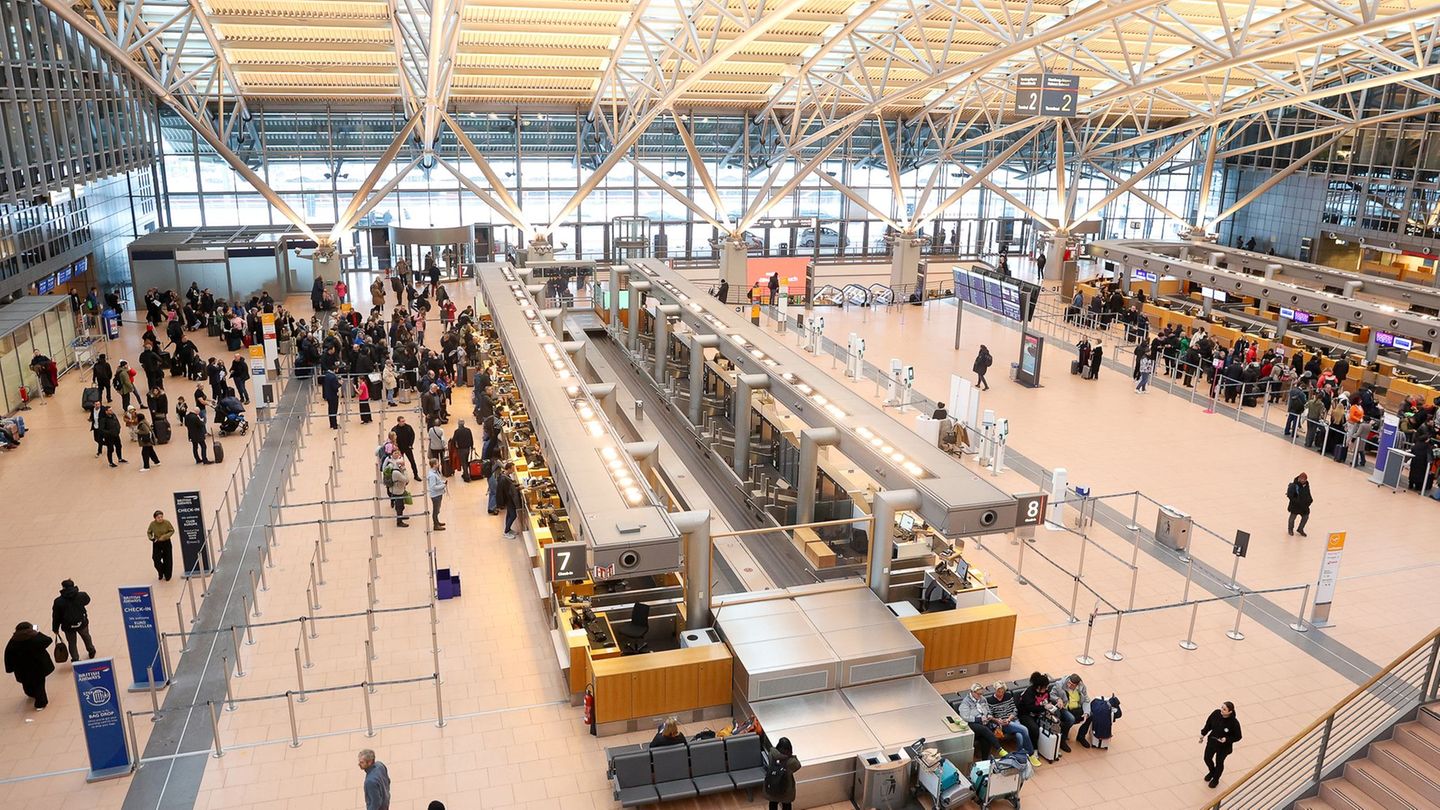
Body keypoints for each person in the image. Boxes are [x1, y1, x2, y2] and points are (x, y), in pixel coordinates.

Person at [4, 622, 55, 711]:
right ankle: (40, 703)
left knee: (26, 683)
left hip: (21, 669)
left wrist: (9, 668)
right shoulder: (34, 638)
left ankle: (31, 693)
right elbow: (48, 640)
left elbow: (8, 655)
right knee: (39, 684)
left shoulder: (13, 641)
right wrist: (37, 633)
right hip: (37, 667)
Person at [986, 682, 1038, 766]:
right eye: (999, 691)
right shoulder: (990, 701)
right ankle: (1031, 753)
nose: (1001, 694)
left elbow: (1014, 709)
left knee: (1019, 736)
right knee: (1024, 729)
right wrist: (998, 720)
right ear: (995, 690)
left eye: (1002, 691)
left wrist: (1009, 718)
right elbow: (990, 716)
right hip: (1002, 724)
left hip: (1012, 720)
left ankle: (1018, 756)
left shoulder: (1008, 696)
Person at [954, 683, 1008, 760]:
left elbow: (988, 709)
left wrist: (988, 715)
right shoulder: (965, 702)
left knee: (985, 737)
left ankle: (985, 759)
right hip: (972, 724)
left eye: (981, 694)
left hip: (984, 723)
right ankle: (999, 749)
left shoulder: (982, 699)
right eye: (978, 694)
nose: (980, 696)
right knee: (985, 730)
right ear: (972, 692)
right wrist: (979, 719)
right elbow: (965, 717)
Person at [51, 579, 96, 662]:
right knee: (86, 636)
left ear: (63, 587)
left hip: (68, 626)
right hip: (81, 622)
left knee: (72, 643)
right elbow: (87, 601)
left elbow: (56, 616)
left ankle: (75, 659)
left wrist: (55, 628)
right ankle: (91, 650)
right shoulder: (82, 595)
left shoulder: (58, 601)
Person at [1200, 701, 1243, 788]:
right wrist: (1203, 734)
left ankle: (1216, 779)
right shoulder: (1216, 714)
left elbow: (1238, 736)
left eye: (1224, 709)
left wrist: (1227, 739)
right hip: (1212, 742)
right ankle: (1212, 771)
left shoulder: (1234, 723)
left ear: (1230, 712)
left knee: (1219, 762)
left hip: (1224, 747)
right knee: (1207, 758)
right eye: (1222, 707)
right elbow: (1208, 724)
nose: (1222, 710)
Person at [1047, 673, 1088, 751]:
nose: (1069, 685)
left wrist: (1086, 712)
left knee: (1090, 715)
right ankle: (1063, 740)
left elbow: (1086, 700)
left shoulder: (1082, 687)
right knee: (1071, 719)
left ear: (1077, 685)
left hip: (1077, 708)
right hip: (1065, 708)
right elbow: (1051, 695)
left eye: (1072, 685)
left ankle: (1081, 736)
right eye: (1069, 683)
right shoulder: (1060, 685)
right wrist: (1058, 699)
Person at [763, 736, 801, 810]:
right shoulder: (791, 761)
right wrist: (793, 756)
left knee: (773, 803)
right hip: (786, 788)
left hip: (772, 784)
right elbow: (798, 766)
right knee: (786, 805)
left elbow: (772, 749)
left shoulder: (772, 754)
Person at [382, 449, 412, 528]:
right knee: (399, 506)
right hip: (397, 490)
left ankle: (400, 517)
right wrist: (404, 470)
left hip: (398, 489)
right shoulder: (396, 472)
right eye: (401, 464)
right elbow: (406, 479)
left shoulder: (395, 469)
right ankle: (399, 522)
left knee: (401, 505)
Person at [147, 510, 175, 580]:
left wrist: (165, 536)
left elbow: (172, 530)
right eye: (158, 517)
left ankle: (168, 575)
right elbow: (149, 532)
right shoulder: (152, 524)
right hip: (157, 542)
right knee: (156, 559)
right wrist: (151, 538)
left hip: (166, 542)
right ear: (155, 518)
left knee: (167, 559)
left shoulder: (167, 523)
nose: (160, 518)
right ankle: (161, 572)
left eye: (161, 517)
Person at [496, 461, 521, 539]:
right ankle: (506, 531)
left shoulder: (504, 476)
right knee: (513, 515)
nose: (513, 471)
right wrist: (518, 488)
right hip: (508, 499)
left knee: (509, 514)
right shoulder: (504, 479)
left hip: (507, 499)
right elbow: (509, 490)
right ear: (509, 469)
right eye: (512, 469)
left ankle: (508, 529)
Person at [426, 459, 448, 532]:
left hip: (438, 494)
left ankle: (437, 522)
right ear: (434, 465)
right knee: (436, 510)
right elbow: (433, 487)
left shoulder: (435, 472)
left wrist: (442, 482)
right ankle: (436, 525)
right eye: (437, 463)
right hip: (436, 495)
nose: (438, 464)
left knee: (437, 509)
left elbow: (438, 481)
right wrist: (443, 486)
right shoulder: (432, 475)